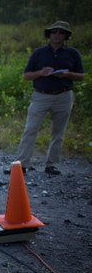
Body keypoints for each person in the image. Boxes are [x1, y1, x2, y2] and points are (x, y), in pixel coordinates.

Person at [15, 21, 85, 175]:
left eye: (61, 32)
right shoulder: (39, 53)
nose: (57, 34)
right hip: (41, 95)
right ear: (50, 34)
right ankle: (22, 163)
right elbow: (26, 76)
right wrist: (41, 73)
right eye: (54, 32)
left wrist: (66, 74)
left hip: (64, 95)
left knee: (58, 132)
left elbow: (81, 76)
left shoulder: (73, 53)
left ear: (66, 35)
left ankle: (52, 164)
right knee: (30, 128)